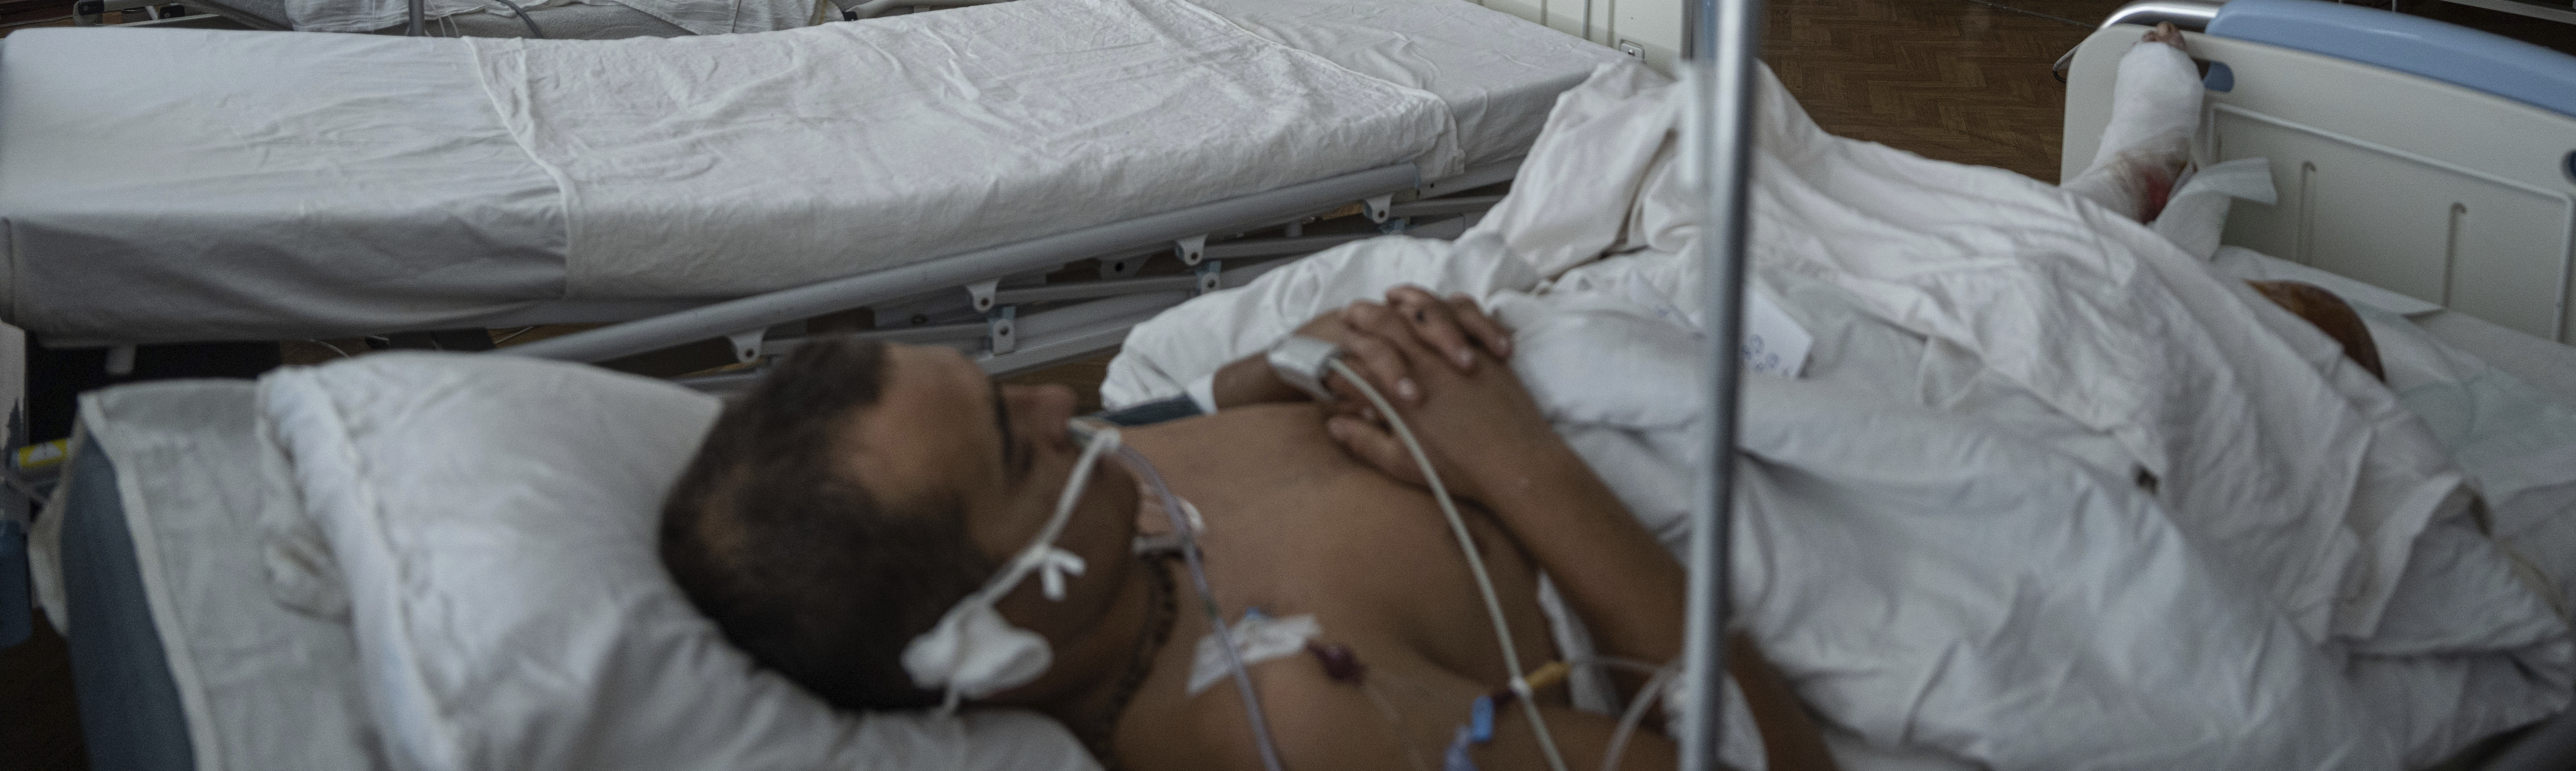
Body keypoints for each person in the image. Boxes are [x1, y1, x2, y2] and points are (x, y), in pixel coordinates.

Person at [658, 292, 1839, 771]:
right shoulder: (1307, 717)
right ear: (994, 638)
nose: (1060, 405)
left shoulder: (1095, 503)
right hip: (1676, 506)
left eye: (999, 392)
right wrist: (1514, 460)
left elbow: (1191, 407)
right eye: (1016, 447)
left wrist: (1316, 356)